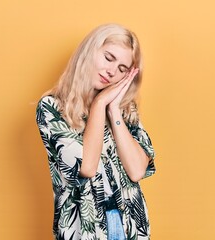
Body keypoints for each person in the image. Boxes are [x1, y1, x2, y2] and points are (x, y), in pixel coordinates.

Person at [36, 23, 156, 240]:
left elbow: (138, 170)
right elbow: (86, 167)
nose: (111, 72)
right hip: (85, 230)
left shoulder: (124, 109)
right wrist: (99, 105)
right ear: (89, 51)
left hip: (130, 227)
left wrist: (114, 111)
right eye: (109, 58)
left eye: (122, 69)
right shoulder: (51, 108)